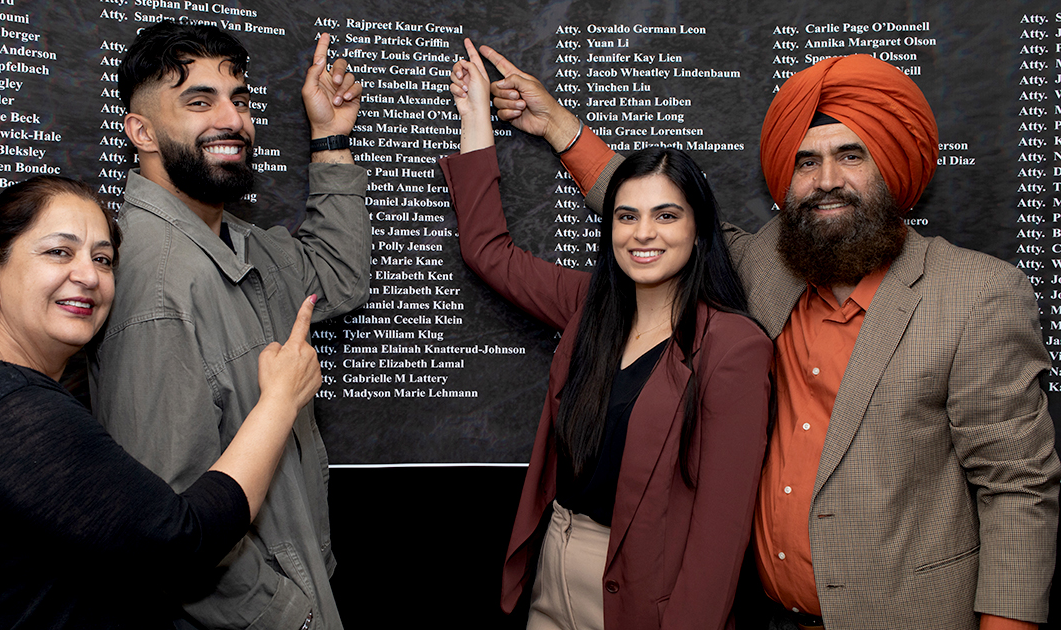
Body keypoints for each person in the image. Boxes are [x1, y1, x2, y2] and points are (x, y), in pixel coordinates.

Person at [476, 48, 1060, 630]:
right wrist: (558, 126)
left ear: (892, 166)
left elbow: (1018, 489)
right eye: (805, 162)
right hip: (763, 615)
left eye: (850, 156)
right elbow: (661, 219)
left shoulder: (975, 295)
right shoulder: (765, 269)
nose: (827, 181)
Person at [440, 39, 772, 629]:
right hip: (554, 561)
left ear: (699, 233)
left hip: (648, 592)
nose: (643, 234)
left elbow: (720, 538)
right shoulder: (589, 305)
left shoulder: (732, 347)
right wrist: (473, 118)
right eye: (627, 216)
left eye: (666, 215)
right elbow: (487, 251)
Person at [0, 176, 323, 628]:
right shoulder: (15, 411)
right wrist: (278, 401)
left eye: (103, 259)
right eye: (59, 251)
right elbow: (181, 543)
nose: (88, 276)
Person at [89, 22, 368, 630]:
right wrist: (289, 615)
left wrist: (329, 137)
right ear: (141, 132)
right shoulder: (155, 284)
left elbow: (339, 276)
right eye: (198, 100)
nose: (231, 118)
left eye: (238, 99)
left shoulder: (239, 242)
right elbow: (169, 528)